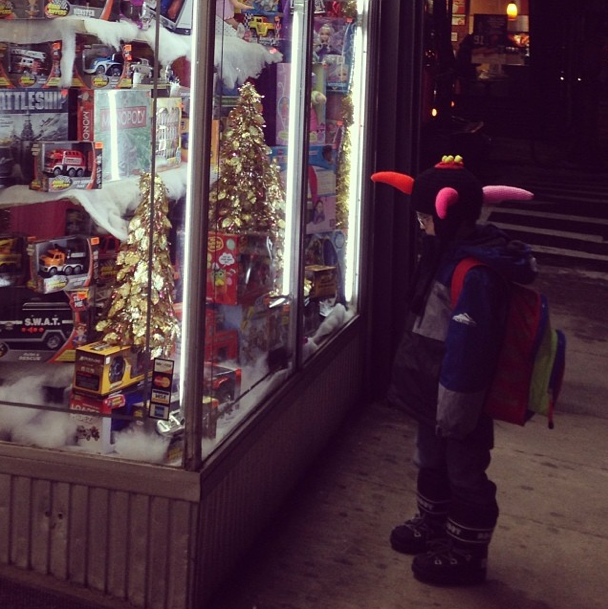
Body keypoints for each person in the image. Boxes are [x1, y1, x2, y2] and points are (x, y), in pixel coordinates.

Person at [371, 155, 536, 586]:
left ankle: (466, 553)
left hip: (459, 398)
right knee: (431, 459)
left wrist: (456, 410)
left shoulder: (473, 273)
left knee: (465, 472)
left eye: (425, 218)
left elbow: (469, 352)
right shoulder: (443, 256)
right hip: (433, 390)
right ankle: (434, 526)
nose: (421, 225)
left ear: (448, 218)